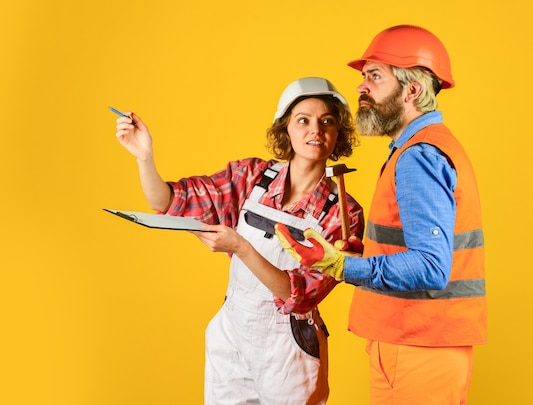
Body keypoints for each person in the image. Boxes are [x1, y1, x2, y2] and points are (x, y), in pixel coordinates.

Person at [114, 77, 364, 405]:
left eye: (326, 122)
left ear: (337, 134)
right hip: (231, 335)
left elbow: (298, 295)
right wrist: (144, 157)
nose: (314, 130)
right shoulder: (250, 178)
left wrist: (241, 248)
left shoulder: (343, 213)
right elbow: (169, 203)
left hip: (288, 346)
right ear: (285, 128)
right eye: (303, 120)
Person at [275, 25, 486, 404]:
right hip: (421, 345)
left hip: (417, 349)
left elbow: (430, 267)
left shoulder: (419, 157)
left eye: (374, 76)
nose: (361, 88)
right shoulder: (424, 148)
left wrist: (341, 266)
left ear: (412, 91)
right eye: (363, 77)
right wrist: (367, 254)